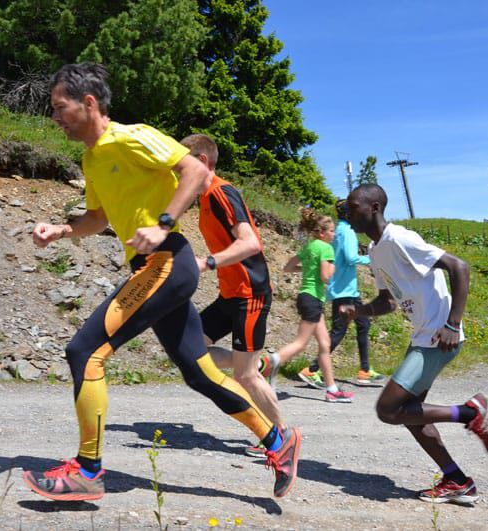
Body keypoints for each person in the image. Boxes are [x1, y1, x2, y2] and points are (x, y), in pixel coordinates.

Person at [22, 63, 300, 501]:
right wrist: (61, 230)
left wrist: (163, 223)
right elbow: (98, 218)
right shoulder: (93, 158)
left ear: (89, 103)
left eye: (60, 107)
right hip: (152, 269)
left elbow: (195, 171)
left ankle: (87, 471)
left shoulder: (132, 136)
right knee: (200, 372)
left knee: (85, 352)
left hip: (167, 261)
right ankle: (278, 441)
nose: (54, 117)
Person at [338, 183, 488, 505]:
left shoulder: (400, 238)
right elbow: (388, 302)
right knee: (411, 416)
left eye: (352, 207)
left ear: (374, 208)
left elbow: (459, 266)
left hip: (438, 337)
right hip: (423, 336)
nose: (347, 213)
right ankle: (457, 480)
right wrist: (361, 311)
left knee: (388, 409)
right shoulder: (375, 251)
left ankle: (469, 413)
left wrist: (453, 323)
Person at [179, 133, 288, 458]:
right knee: (188, 349)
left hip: (250, 294)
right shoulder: (203, 198)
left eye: (181, 166)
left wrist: (207, 262)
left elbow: (250, 243)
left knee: (244, 375)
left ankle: (282, 438)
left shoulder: (221, 192)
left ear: (201, 161)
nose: (178, 173)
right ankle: (260, 362)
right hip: (230, 294)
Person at [268, 209, 355, 403]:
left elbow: (288, 267)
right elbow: (325, 277)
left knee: (325, 344)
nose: (334, 234)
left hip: (307, 297)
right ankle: (267, 363)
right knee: (301, 343)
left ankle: (332, 389)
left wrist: (307, 269)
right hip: (313, 299)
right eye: (331, 231)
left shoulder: (309, 247)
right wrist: (334, 267)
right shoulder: (326, 248)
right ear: (321, 233)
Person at [298, 198, 385, 389]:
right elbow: (351, 258)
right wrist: (374, 258)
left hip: (346, 288)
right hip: (343, 290)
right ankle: (312, 369)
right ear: (349, 214)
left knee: (363, 323)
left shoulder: (338, 230)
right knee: (339, 331)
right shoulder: (347, 232)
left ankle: (365, 370)